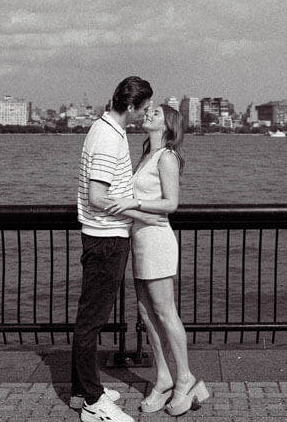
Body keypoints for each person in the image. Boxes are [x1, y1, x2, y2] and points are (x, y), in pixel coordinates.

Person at [103, 103, 209, 416]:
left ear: (168, 125)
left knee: (165, 311)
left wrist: (130, 203)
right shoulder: (148, 155)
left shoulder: (167, 157)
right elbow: (142, 205)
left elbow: (170, 203)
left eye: (156, 113)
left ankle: (185, 378)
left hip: (157, 241)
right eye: (149, 111)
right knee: (146, 314)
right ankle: (163, 378)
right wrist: (127, 208)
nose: (149, 113)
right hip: (140, 240)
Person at [71, 75, 166, 422]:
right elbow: (97, 196)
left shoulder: (107, 129)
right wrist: (139, 211)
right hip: (106, 238)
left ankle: (81, 390)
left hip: (104, 236)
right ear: (130, 105)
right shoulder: (108, 138)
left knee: (90, 317)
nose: (146, 113)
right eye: (144, 107)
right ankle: (92, 403)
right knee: (92, 320)